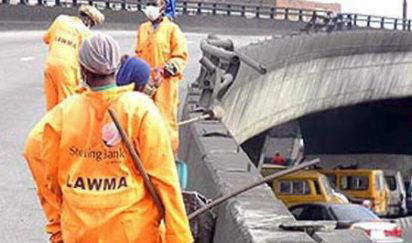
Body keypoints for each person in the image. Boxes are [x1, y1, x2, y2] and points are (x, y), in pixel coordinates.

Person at [25, 33, 193, 243]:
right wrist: (180, 238)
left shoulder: (62, 114)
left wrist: (57, 222)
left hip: (80, 233)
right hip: (133, 233)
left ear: (83, 70)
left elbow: (35, 152)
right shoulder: (139, 109)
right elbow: (165, 181)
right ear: (115, 68)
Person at [135, 0, 188, 155]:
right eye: (149, 3)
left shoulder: (172, 30)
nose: (150, 7)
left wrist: (165, 71)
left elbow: (180, 57)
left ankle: (167, 158)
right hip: (145, 87)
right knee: (143, 123)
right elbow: (138, 54)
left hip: (165, 88)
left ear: (163, 6)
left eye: (154, 3)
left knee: (165, 126)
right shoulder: (142, 29)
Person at [43, 5, 104, 111]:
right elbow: (85, 60)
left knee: (51, 108)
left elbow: (46, 39)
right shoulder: (86, 33)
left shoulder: (60, 20)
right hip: (68, 71)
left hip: (50, 65)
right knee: (67, 107)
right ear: (88, 21)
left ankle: (51, 126)